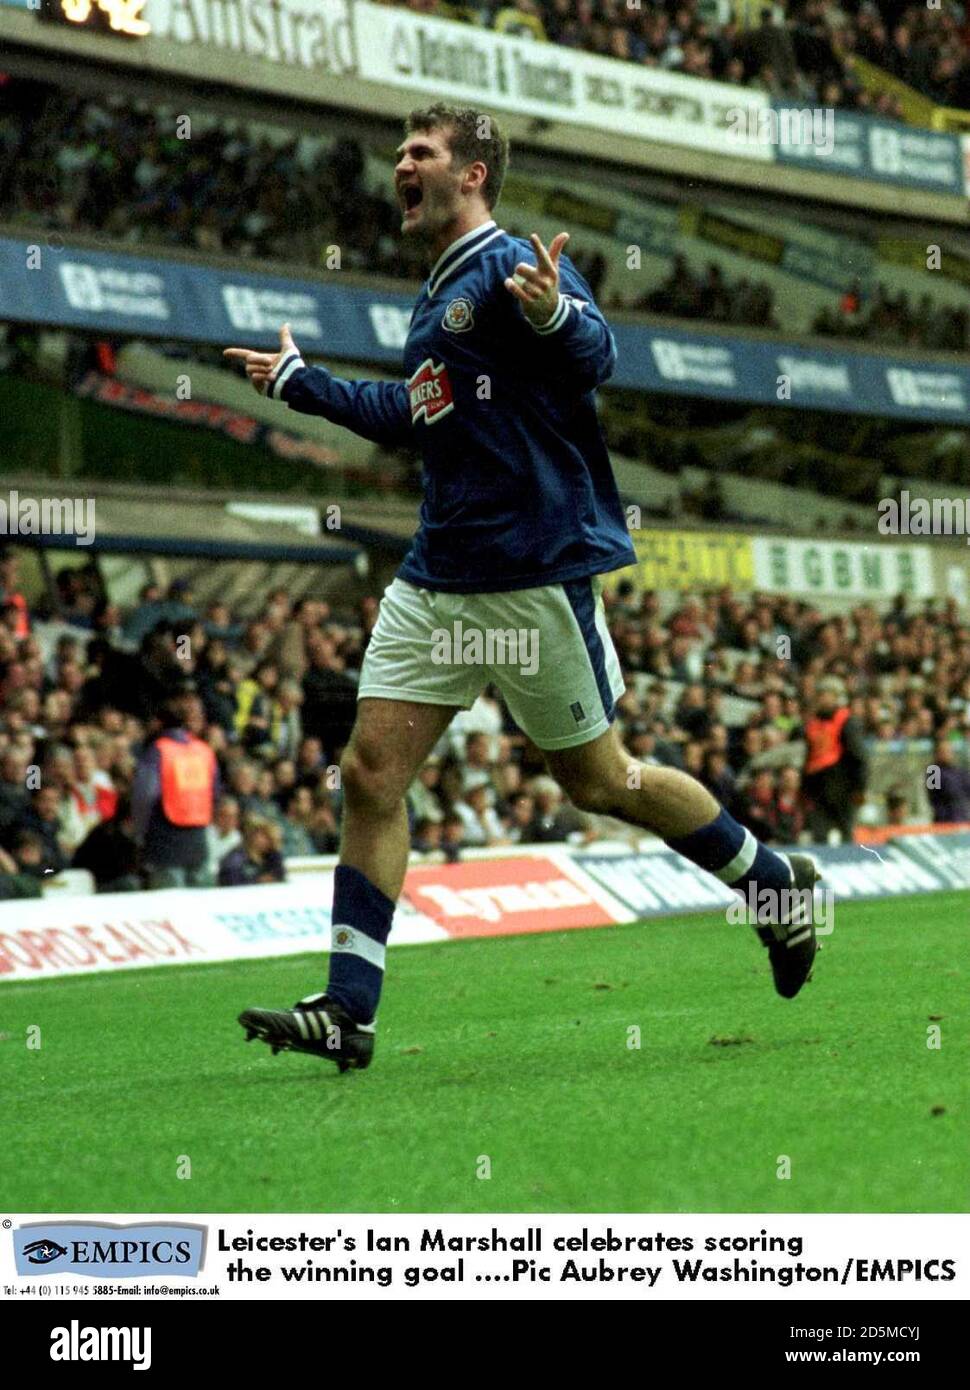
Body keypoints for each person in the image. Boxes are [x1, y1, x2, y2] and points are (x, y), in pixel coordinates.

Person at [225, 103, 820, 1074]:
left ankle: (771, 883)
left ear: (471, 176)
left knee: (601, 782)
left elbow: (593, 352)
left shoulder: (510, 266)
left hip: (528, 578)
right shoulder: (434, 294)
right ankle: (348, 1007)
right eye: (399, 152)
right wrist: (300, 381)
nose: (399, 166)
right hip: (437, 575)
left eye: (418, 153)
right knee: (371, 773)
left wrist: (554, 310)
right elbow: (409, 416)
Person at [130, 693, 218, 888]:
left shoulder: (159, 750)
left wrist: (139, 832)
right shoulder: (204, 751)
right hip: (198, 839)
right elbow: (215, 793)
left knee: (169, 906)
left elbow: (145, 794)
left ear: (157, 722)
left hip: (165, 838)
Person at [802, 676, 868, 843]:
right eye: (820, 695)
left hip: (843, 790)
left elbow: (858, 757)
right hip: (819, 789)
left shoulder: (848, 722)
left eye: (826, 694)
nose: (822, 698)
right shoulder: (812, 724)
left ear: (837, 697)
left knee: (846, 834)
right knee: (819, 835)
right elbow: (809, 757)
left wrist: (860, 788)